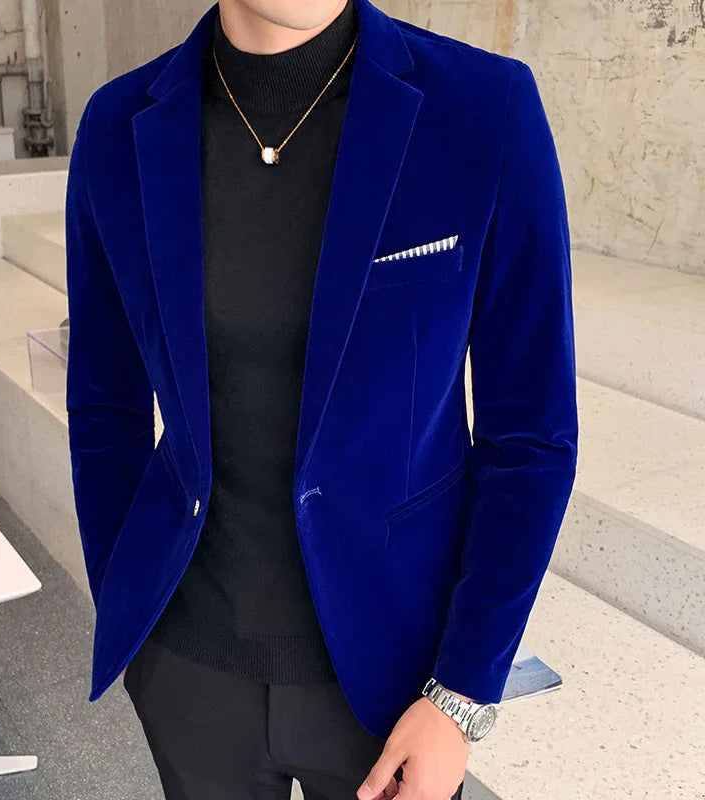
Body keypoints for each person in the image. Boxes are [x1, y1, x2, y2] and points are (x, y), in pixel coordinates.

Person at [64, 0, 578, 797]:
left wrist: (462, 695)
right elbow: (105, 405)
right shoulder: (119, 124)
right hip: (190, 666)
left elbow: (532, 437)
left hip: (392, 675)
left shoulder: (485, 108)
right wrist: (132, 615)